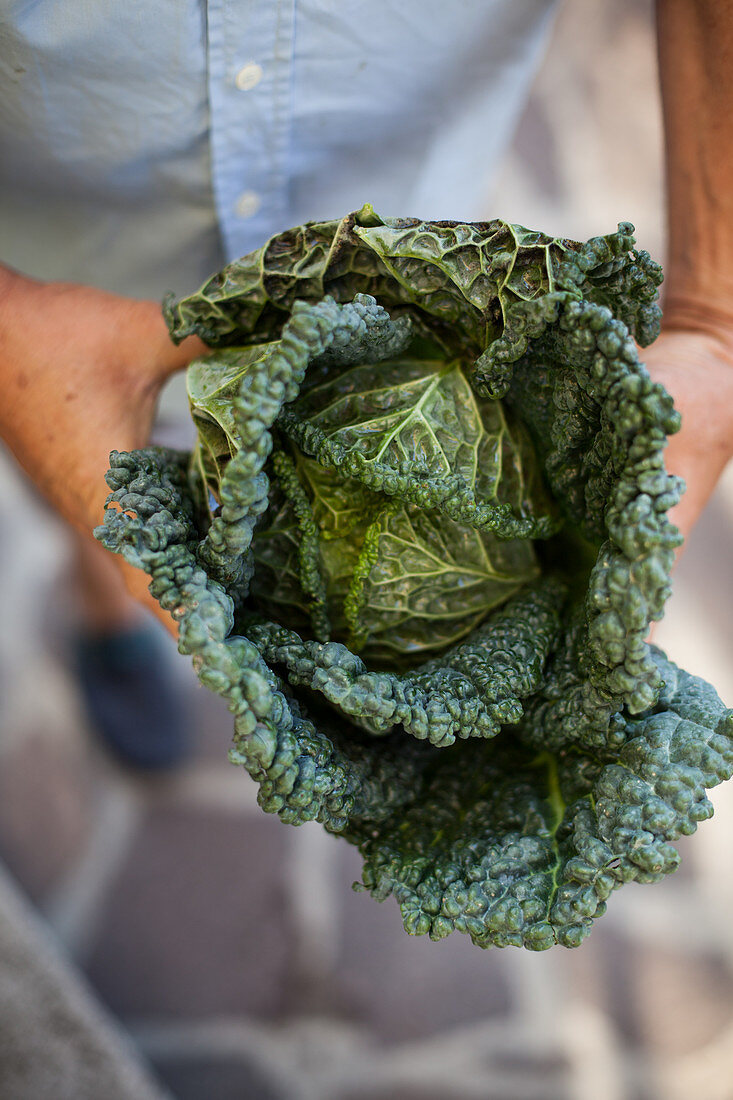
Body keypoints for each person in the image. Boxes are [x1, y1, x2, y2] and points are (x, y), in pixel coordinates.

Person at [1, 0, 731, 763]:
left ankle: (106, 591)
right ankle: (103, 607)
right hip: (67, 248)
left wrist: (713, 317)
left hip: (406, 224)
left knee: (107, 479)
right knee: (65, 454)